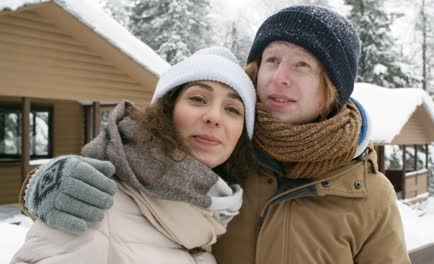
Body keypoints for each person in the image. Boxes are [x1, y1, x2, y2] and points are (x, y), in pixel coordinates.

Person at [19, 5, 410, 264]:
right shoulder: (225, 154)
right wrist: (46, 184)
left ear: (333, 90)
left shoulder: (368, 193)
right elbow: (131, 161)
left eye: (303, 65)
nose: (280, 76)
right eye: (271, 59)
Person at [11, 47, 257, 263]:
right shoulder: (96, 204)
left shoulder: (217, 214)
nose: (214, 116)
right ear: (166, 110)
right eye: (197, 98)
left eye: (232, 109)